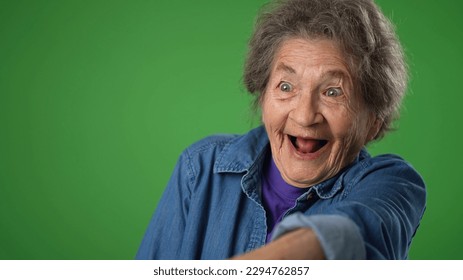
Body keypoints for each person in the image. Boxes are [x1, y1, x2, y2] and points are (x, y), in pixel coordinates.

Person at [136, 0, 426, 260]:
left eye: (333, 92)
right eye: (286, 87)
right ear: (263, 97)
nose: (304, 116)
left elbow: (352, 234)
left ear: (373, 123)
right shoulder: (200, 168)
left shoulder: (394, 185)